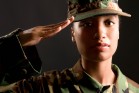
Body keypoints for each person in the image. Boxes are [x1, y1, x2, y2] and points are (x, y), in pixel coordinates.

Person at [0, 0, 139, 92]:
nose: (100, 33)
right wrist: (18, 42)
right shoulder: (44, 87)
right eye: (87, 24)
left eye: (109, 22)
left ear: (119, 31)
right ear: (73, 33)